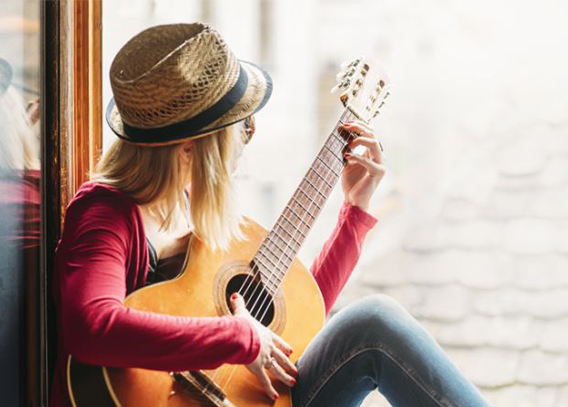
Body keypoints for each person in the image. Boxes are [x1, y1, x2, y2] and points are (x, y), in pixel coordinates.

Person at [51, 23, 492, 407]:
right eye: (241, 126)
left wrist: (354, 212)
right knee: (375, 317)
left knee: (372, 323)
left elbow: (293, 316)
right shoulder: (104, 213)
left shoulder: (191, 208)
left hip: (245, 396)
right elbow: (92, 327)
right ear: (190, 148)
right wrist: (241, 339)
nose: (249, 136)